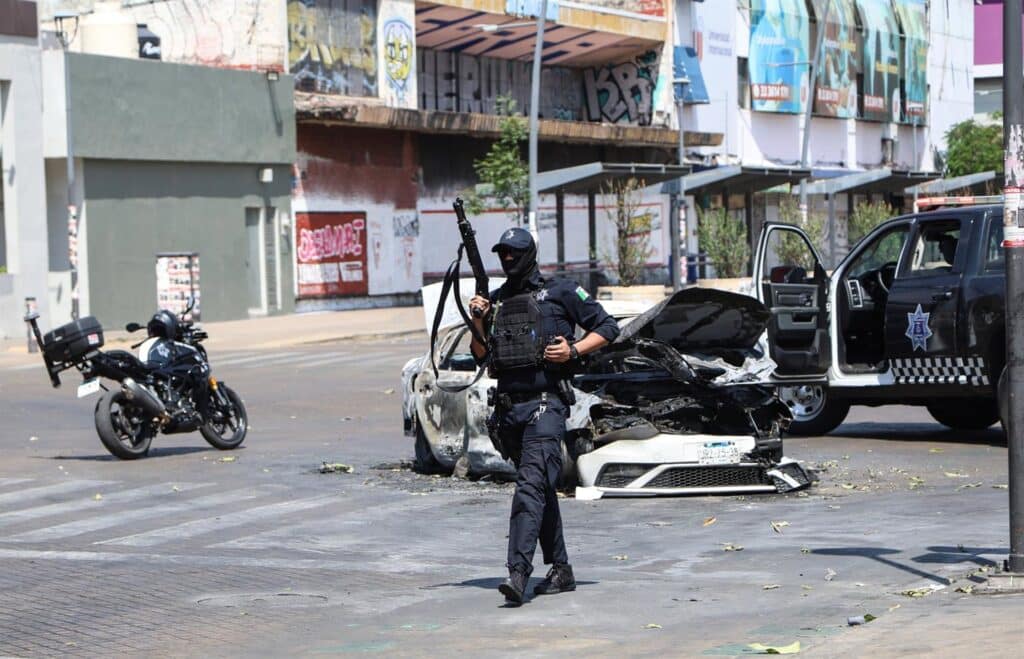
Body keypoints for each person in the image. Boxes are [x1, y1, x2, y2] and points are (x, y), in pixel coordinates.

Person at [468, 227, 620, 605]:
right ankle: (562, 570)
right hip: (509, 413)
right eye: (501, 253)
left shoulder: (562, 292)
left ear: (529, 254)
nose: (507, 259)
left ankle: (517, 573)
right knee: (539, 490)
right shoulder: (497, 301)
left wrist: (574, 350)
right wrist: (478, 319)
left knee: (529, 488)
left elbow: (608, 327)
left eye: (513, 253)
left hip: (545, 406)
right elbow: (480, 355)